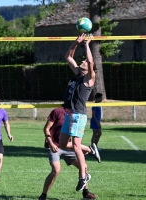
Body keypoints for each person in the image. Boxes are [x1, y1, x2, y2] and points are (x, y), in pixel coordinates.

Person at [59, 33, 101, 192]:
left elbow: (90, 61)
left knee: (76, 145)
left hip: (79, 115)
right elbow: (68, 56)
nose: (82, 61)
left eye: (84, 61)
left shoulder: (90, 78)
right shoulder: (78, 74)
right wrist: (76, 43)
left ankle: (83, 176)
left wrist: (87, 45)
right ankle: (91, 149)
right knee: (62, 144)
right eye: (82, 60)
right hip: (69, 114)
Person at [38, 107, 99, 200]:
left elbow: (75, 136)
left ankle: (85, 193)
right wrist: (50, 143)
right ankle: (43, 195)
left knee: (84, 166)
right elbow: (46, 129)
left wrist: (79, 149)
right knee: (56, 170)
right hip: (53, 146)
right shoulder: (57, 111)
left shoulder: (75, 114)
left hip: (66, 146)